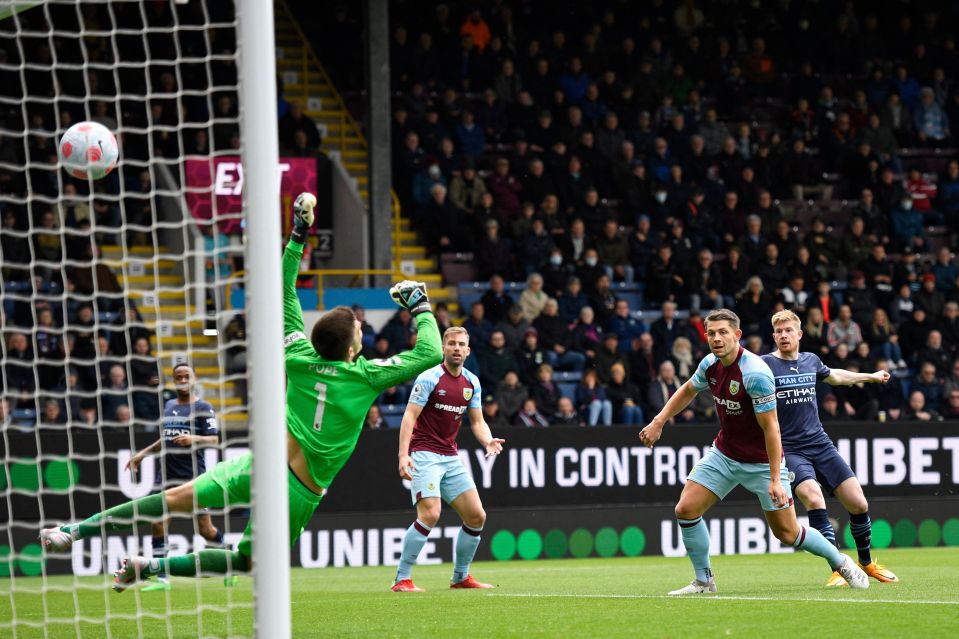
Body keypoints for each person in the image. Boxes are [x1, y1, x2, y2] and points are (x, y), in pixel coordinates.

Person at [41, 193, 443, 591]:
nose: (361, 330)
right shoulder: (365, 376)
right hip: (298, 490)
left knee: (174, 498)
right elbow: (431, 351)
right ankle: (150, 566)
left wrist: (299, 234)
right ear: (353, 348)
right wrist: (420, 304)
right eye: (359, 329)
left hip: (261, 464)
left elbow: (285, 290)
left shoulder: (297, 354)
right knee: (248, 560)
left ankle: (75, 530)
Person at [638, 309, 869, 595]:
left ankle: (840, 561)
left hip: (762, 462)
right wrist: (659, 421)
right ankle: (704, 581)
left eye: (723, 332)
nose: (716, 338)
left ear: (737, 335)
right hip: (725, 454)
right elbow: (688, 389)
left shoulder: (755, 373)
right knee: (685, 509)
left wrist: (775, 478)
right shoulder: (710, 364)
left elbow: (772, 429)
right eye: (711, 333)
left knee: (787, 533)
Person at [763, 310, 899, 587]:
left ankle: (866, 563)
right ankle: (839, 568)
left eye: (788, 330)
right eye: (779, 332)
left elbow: (835, 376)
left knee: (859, 503)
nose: (783, 335)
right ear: (774, 336)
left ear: (799, 334)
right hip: (789, 449)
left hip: (820, 443)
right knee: (814, 499)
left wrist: (870, 376)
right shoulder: (764, 365)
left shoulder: (811, 360)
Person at [393, 326, 505, 592]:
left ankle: (460, 577)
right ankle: (402, 579)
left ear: (468, 350)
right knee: (430, 513)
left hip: (450, 456)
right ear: (444, 348)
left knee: (477, 516)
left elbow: (477, 422)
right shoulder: (429, 378)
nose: (456, 348)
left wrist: (487, 440)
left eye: (461, 344)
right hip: (424, 454)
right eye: (452, 343)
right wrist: (403, 455)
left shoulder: (472, 382)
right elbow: (409, 416)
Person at [122, 363, 224, 590]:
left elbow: (214, 439)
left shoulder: (203, 407)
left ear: (194, 378)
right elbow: (164, 440)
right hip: (167, 475)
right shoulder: (168, 406)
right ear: (174, 380)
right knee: (158, 523)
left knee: (205, 531)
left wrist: (193, 439)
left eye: (187, 375)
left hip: (194, 477)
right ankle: (162, 578)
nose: (183, 379)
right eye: (179, 376)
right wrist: (142, 454)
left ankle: (230, 556)